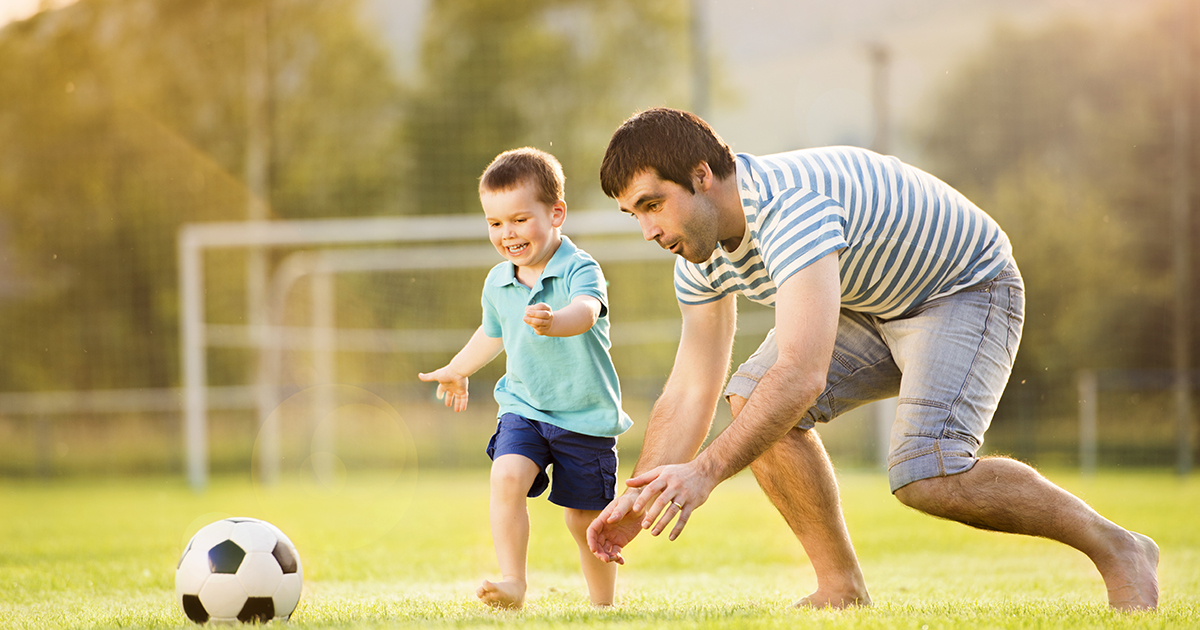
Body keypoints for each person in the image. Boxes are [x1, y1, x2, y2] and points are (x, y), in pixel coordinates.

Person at [584, 107, 1159, 611]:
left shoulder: (790, 210)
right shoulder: (697, 254)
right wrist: (641, 494)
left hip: (963, 288)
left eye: (652, 204)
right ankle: (840, 587)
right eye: (635, 213)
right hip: (869, 302)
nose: (647, 230)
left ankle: (1120, 547)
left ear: (702, 176)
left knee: (928, 473)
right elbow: (690, 388)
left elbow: (803, 375)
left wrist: (706, 472)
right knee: (751, 399)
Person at [419, 147, 632, 609]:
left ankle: (602, 603)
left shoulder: (581, 267)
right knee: (507, 475)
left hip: (585, 416)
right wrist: (458, 369)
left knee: (584, 520)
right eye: (495, 223)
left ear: (556, 213)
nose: (507, 234)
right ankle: (513, 581)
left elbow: (586, 311)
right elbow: (491, 332)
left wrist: (554, 320)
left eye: (518, 220)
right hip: (524, 407)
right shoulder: (498, 281)